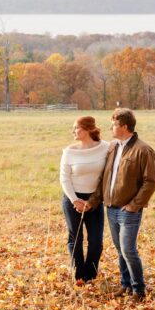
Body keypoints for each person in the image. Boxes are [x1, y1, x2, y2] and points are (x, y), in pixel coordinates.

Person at [87, 107, 155, 301]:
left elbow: (151, 181)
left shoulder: (143, 150)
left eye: (114, 124)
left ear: (125, 127)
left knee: (128, 249)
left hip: (129, 211)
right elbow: (105, 177)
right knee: (120, 250)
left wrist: (135, 205)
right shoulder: (115, 148)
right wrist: (94, 201)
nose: (111, 127)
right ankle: (125, 285)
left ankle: (139, 290)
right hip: (111, 208)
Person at [59, 116, 110, 285]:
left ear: (88, 129)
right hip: (72, 199)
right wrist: (75, 200)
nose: (73, 131)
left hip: (94, 200)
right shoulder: (69, 152)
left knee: (96, 241)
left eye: (77, 128)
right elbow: (64, 178)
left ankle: (90, 275)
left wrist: (91, 201)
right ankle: (79, 276)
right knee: (76, 238)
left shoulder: (105, 147)